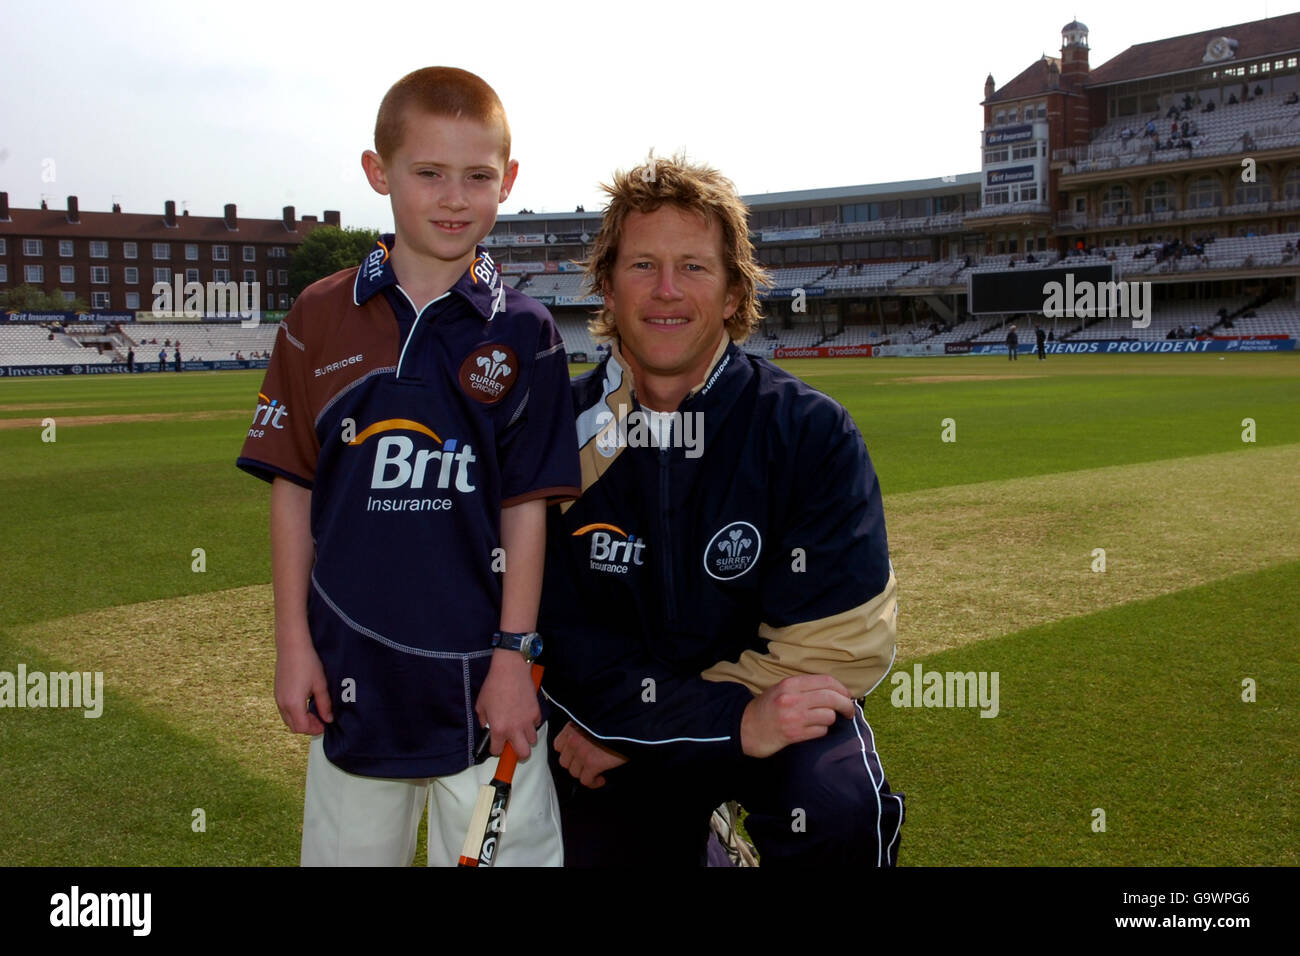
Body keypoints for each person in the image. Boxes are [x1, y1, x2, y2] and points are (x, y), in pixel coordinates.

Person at [235, 66, 581, 867]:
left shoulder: (527, 332)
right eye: (429, 173)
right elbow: (293, 493)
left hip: (486, 684)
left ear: (510, 181)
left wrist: (513, 657)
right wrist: (295, 645)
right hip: (354, 676)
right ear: (378, 173)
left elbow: (526, 511)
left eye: (478, 177)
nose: (455, 198)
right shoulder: (319, 315)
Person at [540, 154, 904, 867]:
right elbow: (557, 636)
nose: (667, 291)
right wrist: (656, 725)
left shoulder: (809, 432)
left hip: (750, 717)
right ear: (606, 292)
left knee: (833, 806)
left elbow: (838, 645)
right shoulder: (556, 437)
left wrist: (726, 722)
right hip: (615, 729)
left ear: (736, 293)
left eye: (695, 268)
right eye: (642, 266)